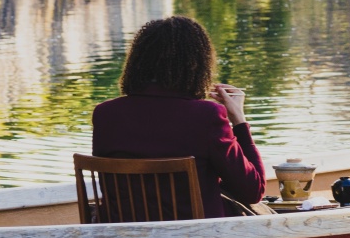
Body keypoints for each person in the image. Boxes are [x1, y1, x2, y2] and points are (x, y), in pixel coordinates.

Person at [91, 15, 266, 218]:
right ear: (198, 65)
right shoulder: (207, 116)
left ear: (137, 62)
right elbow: (253, 191)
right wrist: (239, 121)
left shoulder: (105, 114)